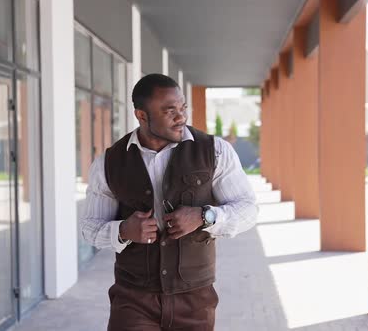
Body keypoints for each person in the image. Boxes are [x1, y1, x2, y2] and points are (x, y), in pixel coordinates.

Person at [80, 74, 258, 331]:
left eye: (183, 108)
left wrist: (205, 216)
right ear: (141, 116)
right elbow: (90, 227)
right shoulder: (109, 163)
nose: (181, 117)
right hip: (133, 299)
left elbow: (248, 209)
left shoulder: (215, 151)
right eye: (169, 111)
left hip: (195, 300)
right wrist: (123, 231)